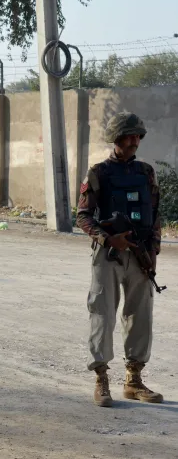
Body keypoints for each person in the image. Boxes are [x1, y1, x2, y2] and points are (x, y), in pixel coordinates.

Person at [76, 111, 163, 407]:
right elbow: (83, 216)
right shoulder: (98, 173)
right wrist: (107, 238)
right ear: (117, 137)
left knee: (141, 315)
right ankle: (101, 379)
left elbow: (155, 215)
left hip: (140, 253)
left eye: (138, 135)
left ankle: (133, 380)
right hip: (109, 254)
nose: (135, 140)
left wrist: (153, 252)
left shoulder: (146, 173)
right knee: (102, 313)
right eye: (130, 135)